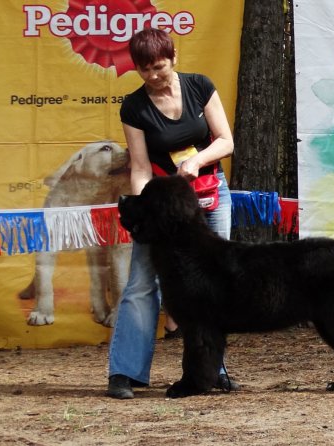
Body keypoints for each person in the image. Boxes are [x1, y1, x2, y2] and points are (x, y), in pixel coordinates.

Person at [107, 27, 237, 399]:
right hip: (165, 206)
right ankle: (124, 373)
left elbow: (225, 140)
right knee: (141, 283)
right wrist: (145, 210)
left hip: (211, 195)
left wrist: (198, 159)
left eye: (159, 67)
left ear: (173, 58)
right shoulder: (134, 106)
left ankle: (213, 370)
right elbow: (140, 166)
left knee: (213, 284)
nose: (152, 76)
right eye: (144, 69)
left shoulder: (200, 86)